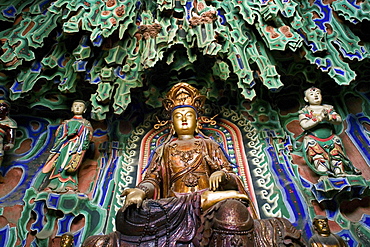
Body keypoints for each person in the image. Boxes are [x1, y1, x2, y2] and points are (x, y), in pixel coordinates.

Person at [83, 83, 304, 246]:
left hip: (209, 206)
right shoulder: (164, 149)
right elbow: (153, 179)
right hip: (173, 207)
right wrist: (140, 191)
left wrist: (222, 175)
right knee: (127, 215)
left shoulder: (209, 145)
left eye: (189, 115)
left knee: (232, 211)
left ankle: (212, 203)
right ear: (172, 123)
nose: (185, 119)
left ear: (198, 120)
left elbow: (230, 175)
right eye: (179, 116)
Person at [298, 87, 361, 177]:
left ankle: (339, 172)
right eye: (311, 94)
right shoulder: (305, 111)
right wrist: (319, 118)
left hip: (331, 138)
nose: (315, 95)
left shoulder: (328, 108)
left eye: (318, 93)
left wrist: (328, 117)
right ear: (306, 99)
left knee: (336, 155)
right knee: (318, 157)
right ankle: (324, 173)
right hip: (314, 140)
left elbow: (338, 119)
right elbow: (304, 125)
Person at [42, 100, 93, 193]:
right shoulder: (66, 123)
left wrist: (80, 134)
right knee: (59, 163)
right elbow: (58, 134)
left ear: (84, 110)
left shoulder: (85, 124)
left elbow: (89, 136)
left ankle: (70, 185)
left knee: (71, 165)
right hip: (64, 146)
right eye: (75, 106)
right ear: (72, 108)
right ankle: (53, 184)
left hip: (76, 147)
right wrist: (65, 133)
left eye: (80, 106)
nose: (77, 108)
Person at [0, 100, 17, 183]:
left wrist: (10, 144)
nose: (0, 108)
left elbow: (11, 136)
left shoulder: (9, 123)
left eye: (3, 107)